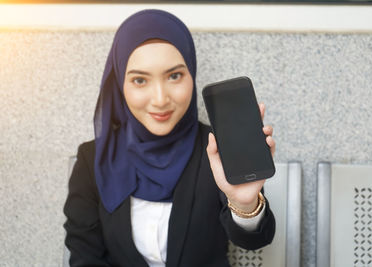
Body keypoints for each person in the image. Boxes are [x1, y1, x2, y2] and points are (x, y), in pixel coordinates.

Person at [63, 9, 276, 267]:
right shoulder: (93, 159)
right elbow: (85, 257)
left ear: (192, 74)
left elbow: (254, 240)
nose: (161, 99)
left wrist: (244, 202)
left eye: (174, 76)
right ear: (120, 84)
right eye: (140, 80)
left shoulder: (216, 148)